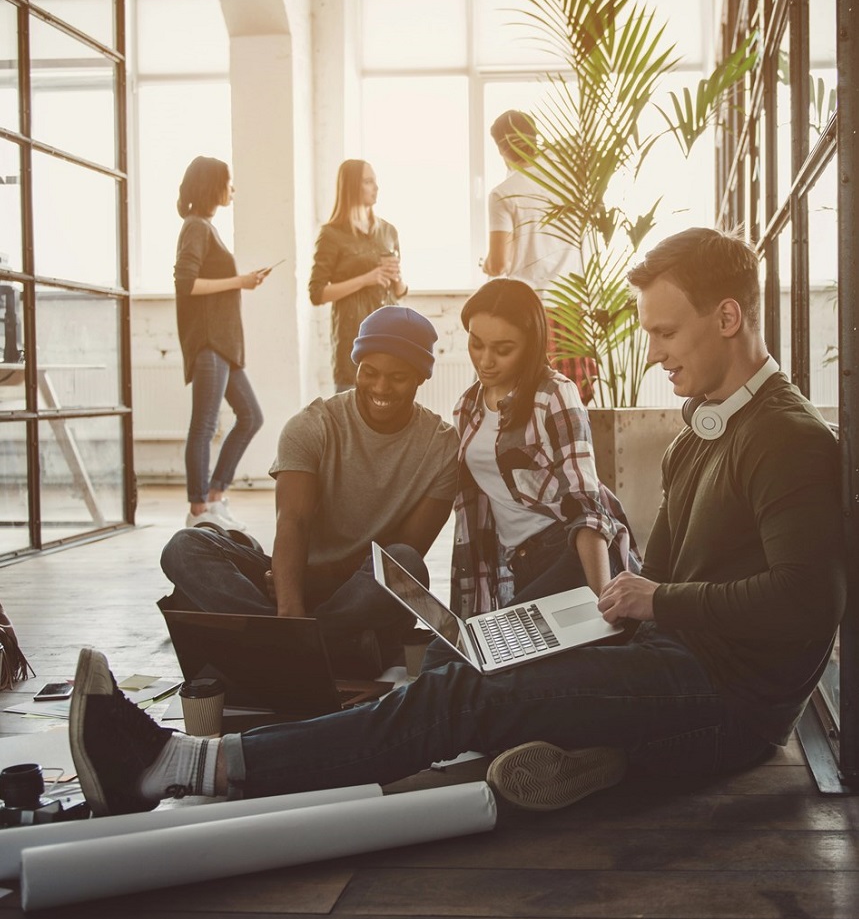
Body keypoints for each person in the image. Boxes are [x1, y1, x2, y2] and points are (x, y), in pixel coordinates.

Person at [70, 227, 845, 818]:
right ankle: (590, 752)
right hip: (668, 658)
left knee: (459, 698)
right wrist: (587, 622)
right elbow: (663, 581)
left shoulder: (790, 438)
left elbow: (806, 606)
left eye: (665, 332)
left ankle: (177, 764)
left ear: (729, 315)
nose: (652, 353)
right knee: (458, 667)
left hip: (726, 705)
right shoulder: (699, 429)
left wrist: (650, 603)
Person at [160, 305, 458, 676]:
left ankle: (270, 645)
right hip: (291, 579)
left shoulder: (442, 446)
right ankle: (315, 643)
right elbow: (293, 522)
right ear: (357, 368)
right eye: (370, 373)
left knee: (406, 566)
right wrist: (290, 611)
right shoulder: (311, 426)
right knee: (184, 547)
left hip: (357, 589)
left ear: (420, 377)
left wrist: (322, 577)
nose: (381, 388)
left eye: (398, 377)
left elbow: (400, 558)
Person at [449, 278, 637, 625]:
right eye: (476, 344)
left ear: (530, 345)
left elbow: (586, 507)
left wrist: (605, 605)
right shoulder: (467, 408)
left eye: (503, 349)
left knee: (467, 660)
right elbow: (475, 516)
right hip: (520, 564)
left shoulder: (554, 395)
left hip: (568, 555)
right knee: (475, 652)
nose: (485, 361)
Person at [174, 156, 268, 532]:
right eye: (228, 182)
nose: (233, 189)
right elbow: (186, 284)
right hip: (210, 344)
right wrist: (239, 281)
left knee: (251, 417)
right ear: (212, 185)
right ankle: (198, 510)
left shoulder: (205, 227)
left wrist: (242, 281)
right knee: (204, 425)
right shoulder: (196, 227)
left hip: (224, 347)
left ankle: (214, 497)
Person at [482, 110, 595, 404]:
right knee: (571, 396)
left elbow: (498, 264)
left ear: (501, 148)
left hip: (529, 309)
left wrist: (485, 263)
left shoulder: (504, 193)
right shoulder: (568, 183)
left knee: (527, 396)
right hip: (572, 306)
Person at [309, 159, 408, 392]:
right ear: (352, 186)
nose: (376, 187)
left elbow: (399, 291)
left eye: (375, 181)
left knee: (391, 410)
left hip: (390, 333)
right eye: (368, 181)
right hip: (353, 338)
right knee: (350, 412)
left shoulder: (388, 231)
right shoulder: (331, 234)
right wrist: (367, 278)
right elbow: (317, 293)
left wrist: (397, 278)